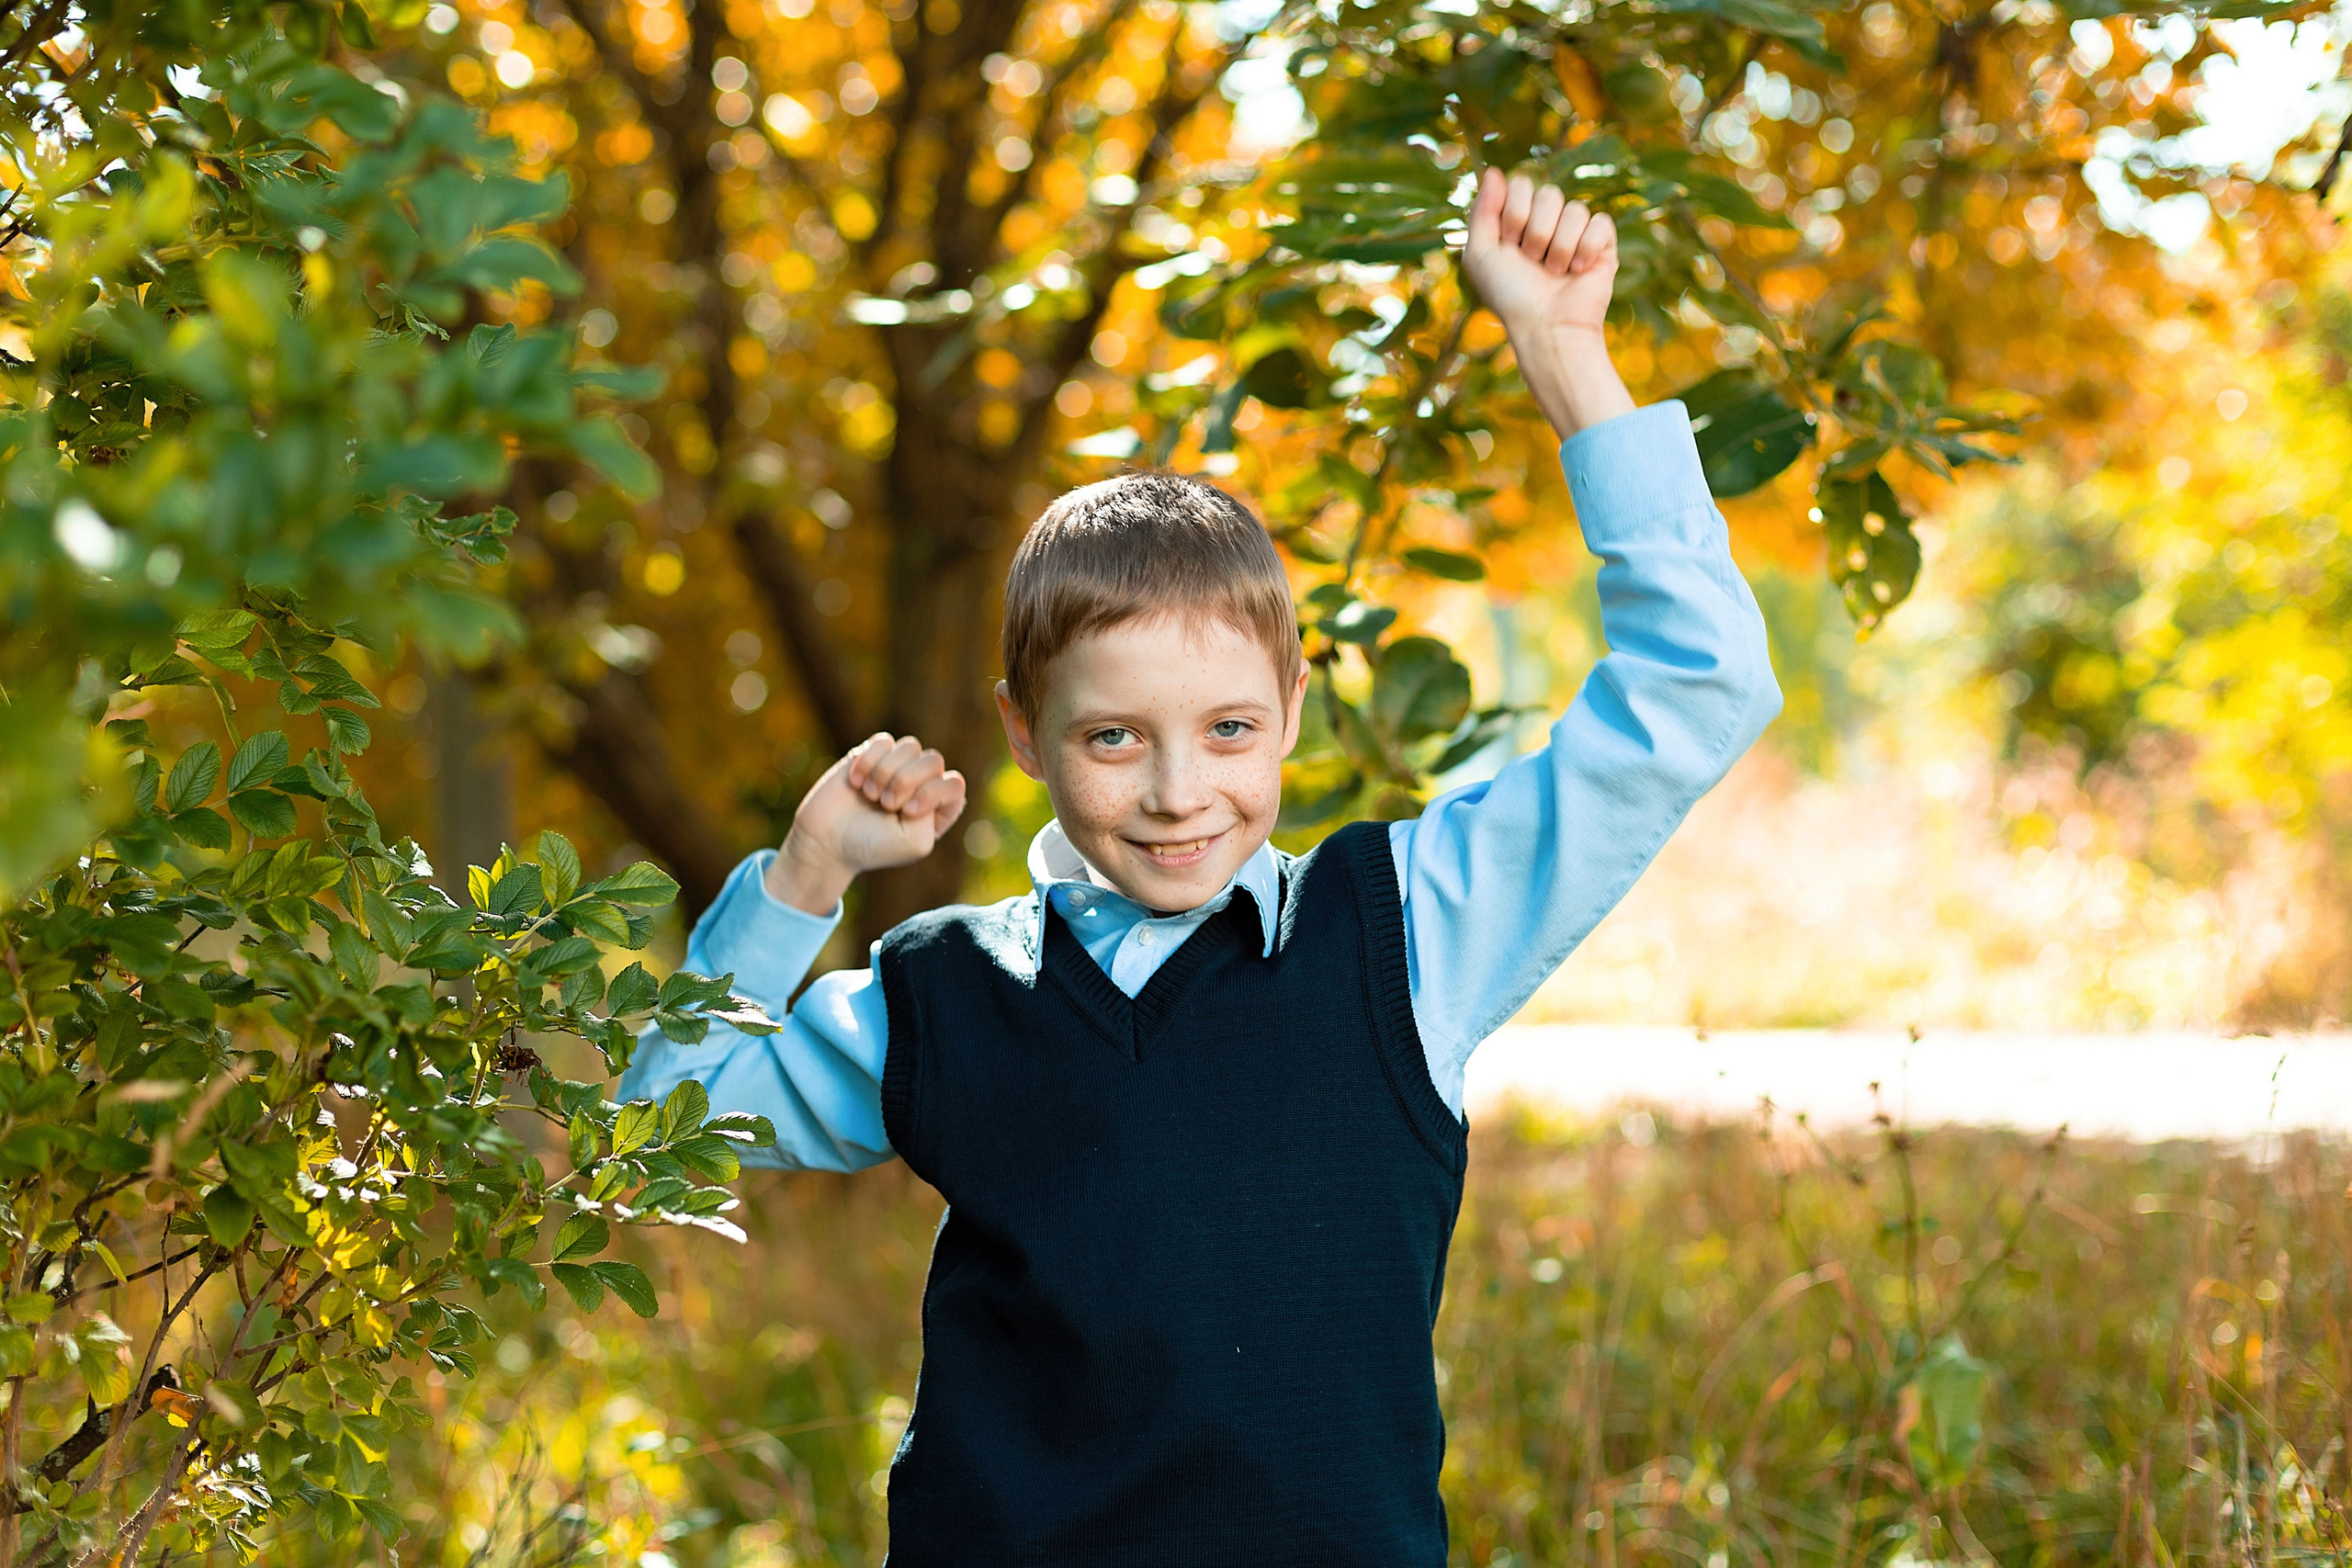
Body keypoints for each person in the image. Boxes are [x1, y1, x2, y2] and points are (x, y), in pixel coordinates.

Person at [617, 168, 1781, 1562]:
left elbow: (1698, 686)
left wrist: (1562, 350)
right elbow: (655, 1129)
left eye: (1228, 730)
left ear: (1291, 708)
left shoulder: (1407, 936)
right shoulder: (942, 996)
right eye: (1113, 737)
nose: (1178, 794)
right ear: (1024, 732)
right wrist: (805, 875)